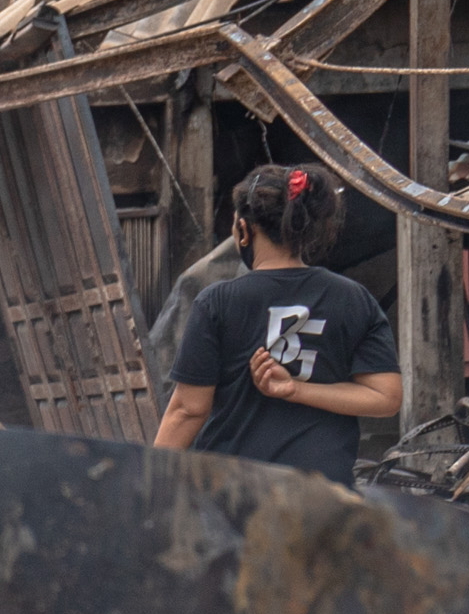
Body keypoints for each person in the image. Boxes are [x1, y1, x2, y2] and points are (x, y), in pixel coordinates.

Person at [152, 163, 405, 481]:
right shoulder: (354, 299)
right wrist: (297, 390)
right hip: (326, 498)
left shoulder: (216, 303)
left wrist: (151, 480)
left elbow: (189, 409)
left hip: (235, 497)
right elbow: (386, 398)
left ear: (244, 230)